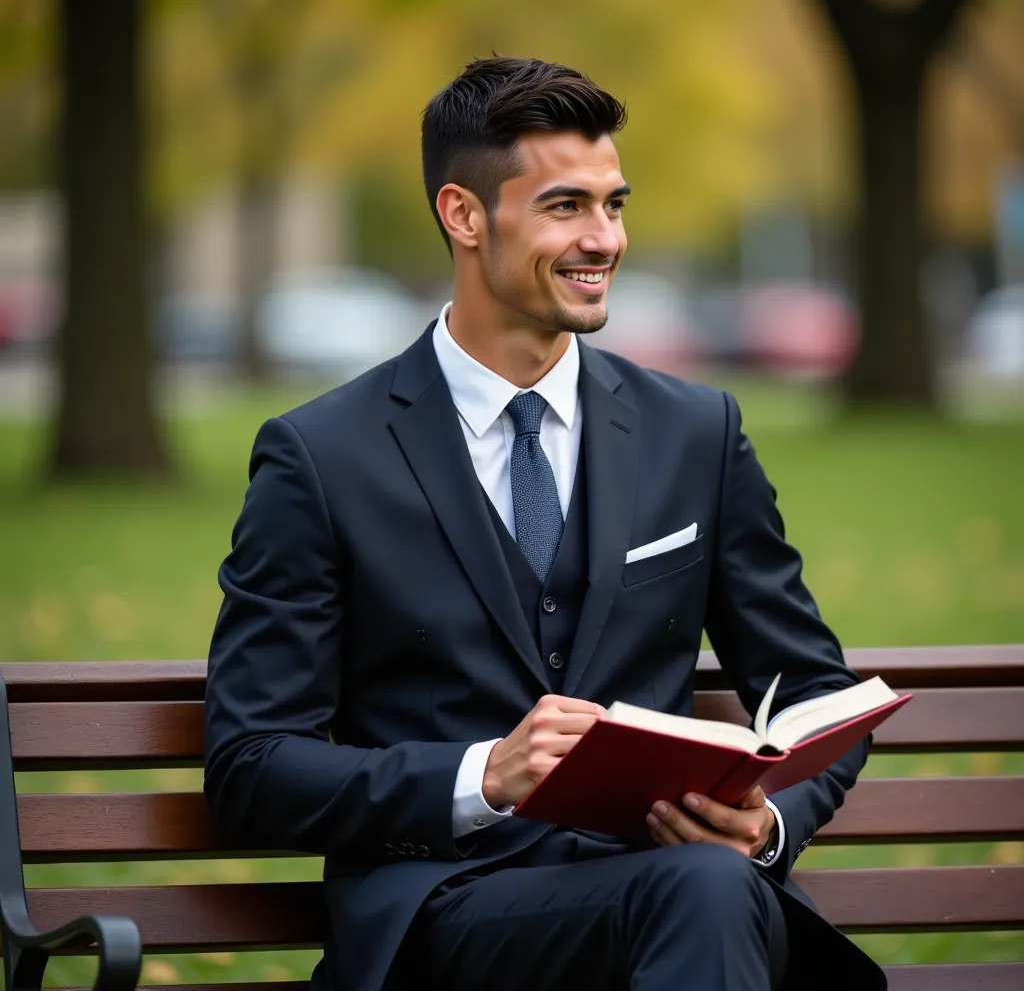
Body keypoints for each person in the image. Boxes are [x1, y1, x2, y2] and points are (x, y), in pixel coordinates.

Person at [204, 56, 886, 991]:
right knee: (701, 893)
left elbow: (813, 690)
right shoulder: (320, 457)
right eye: (567, 207)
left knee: (706, 884)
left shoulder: (697, 432)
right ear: (464, 215)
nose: (604, 238)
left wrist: (769, 824)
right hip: (446, 916)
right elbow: (252, 765)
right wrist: (482, 775)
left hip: (682, 899)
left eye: (614, 205)